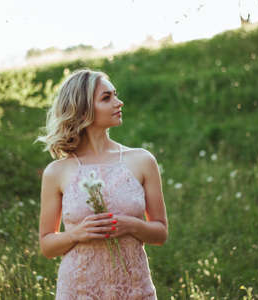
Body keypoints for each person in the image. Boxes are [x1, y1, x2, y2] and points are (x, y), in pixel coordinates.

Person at [35, 68, 168, 299]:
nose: (119, 102)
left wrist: (130, 225)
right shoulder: (56, 172)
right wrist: (76, 234)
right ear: (83, 109)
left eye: (115, 94)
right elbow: (47, 245)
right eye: (107, 98)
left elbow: (160, 233)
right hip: (79, 290)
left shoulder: (142, 160)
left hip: (134, 289)